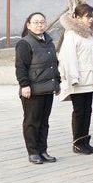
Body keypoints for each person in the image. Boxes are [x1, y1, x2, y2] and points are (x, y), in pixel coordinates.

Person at [15, 12, 61, 164]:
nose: (40, 25)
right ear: (28, 25)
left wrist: (57, 82)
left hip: (48, 88)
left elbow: (54, 64)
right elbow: (21, 67)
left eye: (42, 22)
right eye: (36, 22)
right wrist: (24, 85)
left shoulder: (49, 41)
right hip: (32, 90)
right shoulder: (25, 43)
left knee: (44, 122)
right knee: (32, 122)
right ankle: (33, 152)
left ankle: (43, 150)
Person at [58, 3, 93, 154]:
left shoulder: (89, 34)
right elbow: (69, 58)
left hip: (89, 79)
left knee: (87, 110)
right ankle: (77, 142)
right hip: (78, 80)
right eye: (87, 17)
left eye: (91, 16)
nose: (90, 19)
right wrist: (73, 78)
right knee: (79, 111)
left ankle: (85, 141)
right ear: (77, 17)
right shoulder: (71, 34)